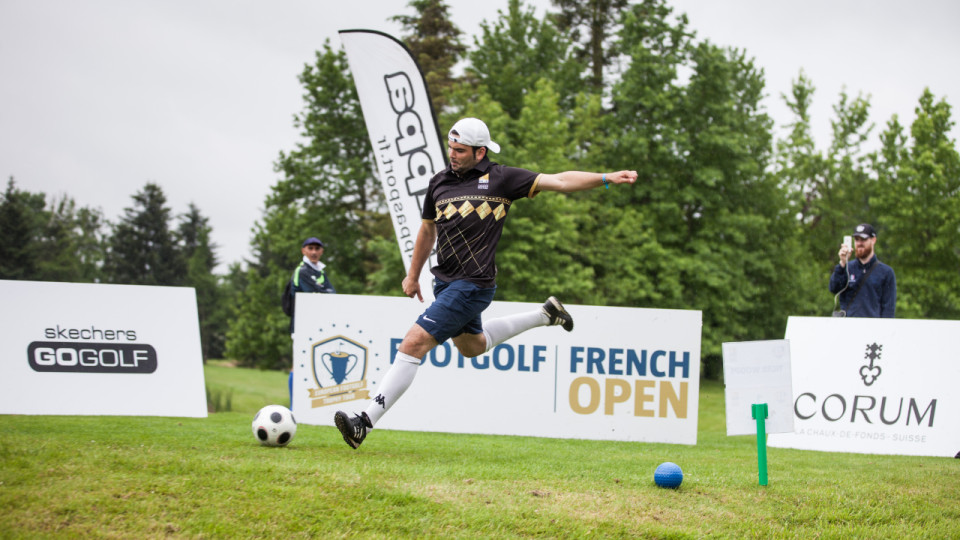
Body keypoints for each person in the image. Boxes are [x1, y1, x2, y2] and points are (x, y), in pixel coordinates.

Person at [334, 117, 638, 449]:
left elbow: (562, 181)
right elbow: (426, 230)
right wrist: (412, 274)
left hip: (474, 283)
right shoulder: (438, 183)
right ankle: (546, 315)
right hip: (445, 284)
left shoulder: (502, 179)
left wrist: (607, 178)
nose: (452, 154)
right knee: (472, 347)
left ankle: (363, 422)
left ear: (480, 152)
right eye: (450, 148)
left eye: (460, 150)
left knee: (413, 344)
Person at [829, 223, 896, 318]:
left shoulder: (886, 272)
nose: (859, 243)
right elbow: (833, 288)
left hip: (873, 329)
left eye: (863, 239)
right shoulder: (847, 268)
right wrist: (842, 263)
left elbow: (888, 309)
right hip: (848, 328)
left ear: (873, 240)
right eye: (857, 240)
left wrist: (884, 331)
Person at [288, 237, 336, 334]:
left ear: (322, 251)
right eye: (310, 248)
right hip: (301, 324)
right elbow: (313, 295)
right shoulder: (302, 271)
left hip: (318, 323)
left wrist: (322, 291)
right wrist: (323, 291)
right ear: (303, 251)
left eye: (317, 249)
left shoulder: (321, 272)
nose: (314, 252)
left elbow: (333, 293)